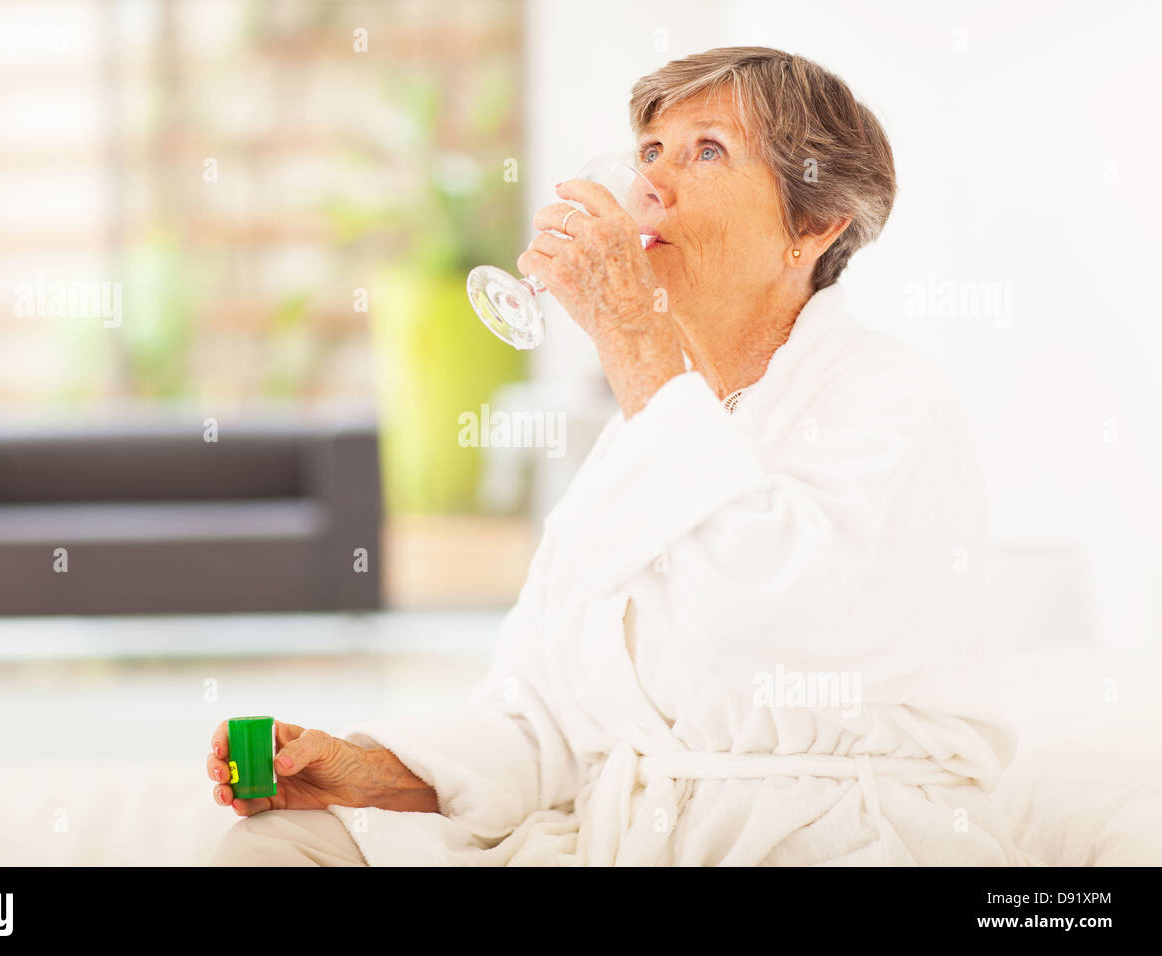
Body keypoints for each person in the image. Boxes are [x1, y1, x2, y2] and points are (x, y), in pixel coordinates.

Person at [207, 46, 1036, 866]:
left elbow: (764, 625)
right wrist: (368, 771)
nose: (650, 184)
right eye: (648, 152)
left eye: (706, 151)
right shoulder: (635, 439)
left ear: (814, 227)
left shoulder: (889, 397)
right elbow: (541, 724)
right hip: (628, 836)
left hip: (826, 837)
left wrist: (634, 342)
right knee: (280, 844)